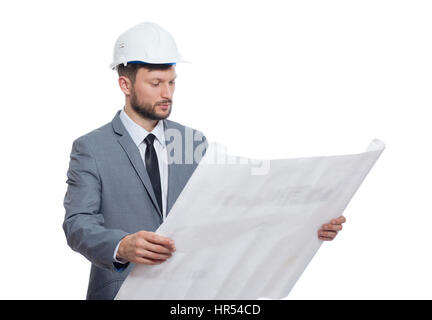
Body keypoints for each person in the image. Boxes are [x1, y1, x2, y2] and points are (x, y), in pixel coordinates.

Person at [63, 22, 346, 300]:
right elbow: (77, 223)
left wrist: (308, 226)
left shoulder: (194, 142)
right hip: (121, 291)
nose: (167, 93)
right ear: (125, 84)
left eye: (172, 82)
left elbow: (229, 213)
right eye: (156, 83)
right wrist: (120, 246)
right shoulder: (92, 147)